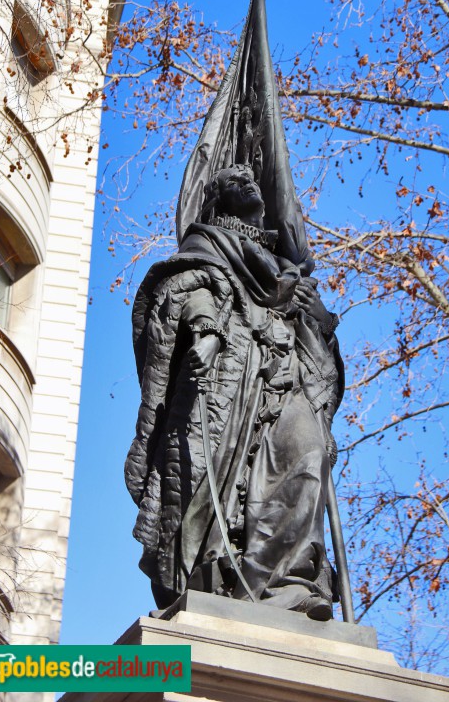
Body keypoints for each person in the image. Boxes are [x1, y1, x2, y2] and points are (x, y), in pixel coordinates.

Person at [125, 164, 343, 620]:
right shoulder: (210, 243)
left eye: (250, 178)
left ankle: (288, 582)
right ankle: (224, 580)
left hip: (283, 381)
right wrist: (204, 329)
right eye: (233, 180)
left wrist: (314, 316)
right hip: (228, 379)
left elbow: (320, 333)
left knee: (309, 457)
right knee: (212, 484)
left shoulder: (287, 268)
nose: (247, 182)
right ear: (218, 199)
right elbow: (188, 285)